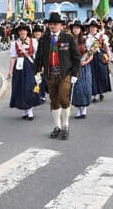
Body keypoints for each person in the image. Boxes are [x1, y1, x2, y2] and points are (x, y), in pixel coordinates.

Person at [34, 12, 80, 140]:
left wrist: (75, 73)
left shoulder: (68, 38)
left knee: (63, 97)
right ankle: (57, 127)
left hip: (64, 73)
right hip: (49, 74)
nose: (53, 26)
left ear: (61, 25)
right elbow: (38, 57)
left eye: (56, 24)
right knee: (53, 100)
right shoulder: (44, 39)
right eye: (51, 24)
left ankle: (65, 126)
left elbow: (76, 58)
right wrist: (36, 72)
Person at [8, 21, 41, 120]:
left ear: (27, 32)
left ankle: (30, 111)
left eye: (24, 30)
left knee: (29, 87)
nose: (22, 32)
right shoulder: (14, 44)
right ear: (18, 32)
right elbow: (13, 57)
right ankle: (25, 110)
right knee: (20, 87)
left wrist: (38, 67)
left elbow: (37, 55)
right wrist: (10, 70)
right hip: (19, 67)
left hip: (30, 66)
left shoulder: (33, 41)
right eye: (20, 30)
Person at [70, 19, 93, 119]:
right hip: (73, 67)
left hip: (84, 67)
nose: (76, 30)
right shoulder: (69, 40)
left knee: (84, 87)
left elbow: (91, 54)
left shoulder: (85, 40)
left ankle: (84, 109)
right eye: (74, 28)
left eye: (77, 28)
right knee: (75, 89)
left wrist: (85, 62)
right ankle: (78, 110)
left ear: (80, 29)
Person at [86, 18, 112, 102]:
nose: (92, 28)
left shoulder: (102, 36)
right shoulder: (86, 38)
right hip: (91, 57)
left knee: (102, 74)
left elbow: (107, 47)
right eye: (91, 27)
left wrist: (109, 56)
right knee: (93, 75)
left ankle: (101, 91)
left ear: (97, 28)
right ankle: (95, 94)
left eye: (94, 27)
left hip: (101, 57)